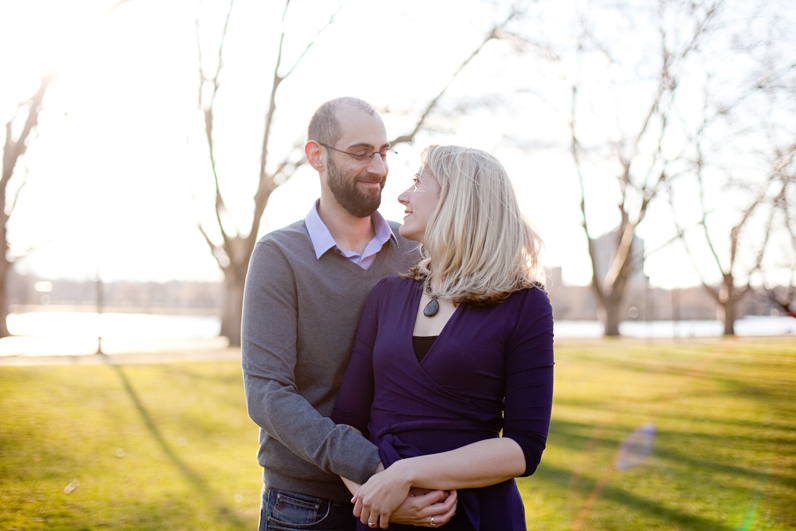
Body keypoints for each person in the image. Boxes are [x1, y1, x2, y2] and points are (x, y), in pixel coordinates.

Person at [241, 98, 457, 531]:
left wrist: (406, 477)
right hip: (305, 505)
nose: (379, 167)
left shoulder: (420, 251)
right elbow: (268, 393)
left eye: (384, 151)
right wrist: (374, 473)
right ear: (316, 156)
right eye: (361, 153)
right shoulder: (278, 255)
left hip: (410, 495)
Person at [332, 145, 554, 530]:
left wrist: (406, 475)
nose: (401, 196)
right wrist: (375, 493)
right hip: (383, 515)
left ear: (458, 199)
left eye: (418, 182)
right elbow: (346, 423)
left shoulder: (526, 304)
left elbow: (524, 447)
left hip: (477, 516)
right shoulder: (386, 296)